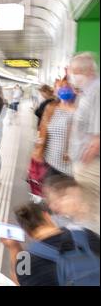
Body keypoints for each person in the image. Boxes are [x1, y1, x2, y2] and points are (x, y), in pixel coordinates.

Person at [1, 202, 100, 286]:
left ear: (26, 232)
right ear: (46, 216)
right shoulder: (83, 233)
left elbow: (18, 282)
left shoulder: (24, 259)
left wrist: (13, 247)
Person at [68, 52, 100, 234]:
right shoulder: (87, 92)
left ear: (84, 71)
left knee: (91, 204)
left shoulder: (97, 91)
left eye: (73, 72)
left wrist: (92, 149)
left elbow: (98, 132)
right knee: (87, 202)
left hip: (91, 162)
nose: (72, 76)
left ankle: (91, 245)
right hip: (84, 161)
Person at [32, 83, 76, 178]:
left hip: (72, 167)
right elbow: (43, 130)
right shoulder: (51, 108)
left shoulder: (79, 112)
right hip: (50, 162)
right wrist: (38, 149)